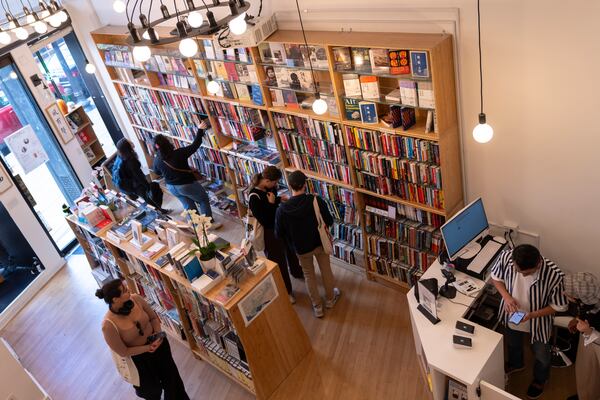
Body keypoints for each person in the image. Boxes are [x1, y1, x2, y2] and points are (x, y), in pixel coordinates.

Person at [490, 244, 568, 400]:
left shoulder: (555, 275)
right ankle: (516, 363)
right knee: (513, 343)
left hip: (538, 320)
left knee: (542, 355)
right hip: (511, 314)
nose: (523, 276)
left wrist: (532, 315)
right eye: (519, 272)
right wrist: (506, 296)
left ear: (538, 263)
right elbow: (496, 278)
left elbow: (559, 306)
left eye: (528, 273)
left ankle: (540, 379)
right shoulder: (506, 257)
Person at [96, 279, 189, 400]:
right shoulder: (108, 326)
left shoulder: (136, 299)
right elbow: (123, 351)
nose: (128, 289)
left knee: (173, 382)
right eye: (124, 290)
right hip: (140, 361)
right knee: (151, 392)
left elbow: (154, 318)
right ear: (115, 299)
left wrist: (158, 335)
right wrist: (147, 348)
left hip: (159, 345)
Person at [275, 170, 340, 318]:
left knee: (309, 275)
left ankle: (317, 307)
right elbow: (329, 220)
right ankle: (330, 299)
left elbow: (279, 233)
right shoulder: (315, 200)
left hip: (300, 248)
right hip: (319, 243)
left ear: (290, 186)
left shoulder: (282, 209)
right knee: (326, 270)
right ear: (305, 184)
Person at [248, 166, 302, 303]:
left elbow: (272, 199)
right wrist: (272, 204)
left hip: (280, 224)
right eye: (274, 182)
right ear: (266, 180)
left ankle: (296, 271)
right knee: (279, 262)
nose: (276, 185)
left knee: (291, 251)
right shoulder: (253, 197)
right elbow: (265, 220)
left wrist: (278, 200)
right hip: (269, 232)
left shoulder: (270, 188)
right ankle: (287, 291)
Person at [153, 120, 220, 228]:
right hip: (186, 185)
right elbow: (195, 145)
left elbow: (156, 172)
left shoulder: (157, 159)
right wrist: (200, 130)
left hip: (171, 187)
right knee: (203, 199)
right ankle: (208, 223)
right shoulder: (178, 153)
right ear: (168, 143)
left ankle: (196, 225)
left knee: (188, 205)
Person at [563, 272, 600, 400]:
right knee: (585, 372)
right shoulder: (591, 296)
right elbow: (586, 309)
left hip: (596, 347)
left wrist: (589, 332)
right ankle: (584, 395)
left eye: (569, 293)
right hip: (588, 341)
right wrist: (577, 319)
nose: (565, 294)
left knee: (593, 375)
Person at [112, 138, 165, 211]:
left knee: (147, 197)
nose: (132, 142)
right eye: (129, 142)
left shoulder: (120, 156)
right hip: (134, 185)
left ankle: (159, 210)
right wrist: (147, 186)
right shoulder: (131, 160)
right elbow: (138, 176)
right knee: (150, 194)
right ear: (127, 147)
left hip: (126, 186)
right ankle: (159, 211)